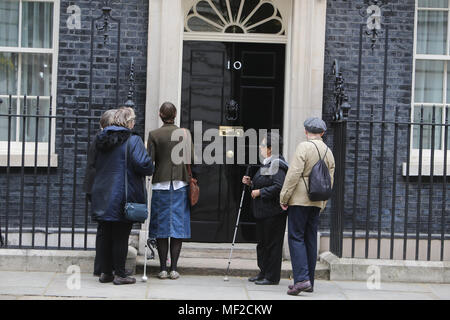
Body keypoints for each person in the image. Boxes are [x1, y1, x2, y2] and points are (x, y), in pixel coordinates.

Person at [91, 107, 154, 285]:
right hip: (121, 194)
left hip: (102, 192)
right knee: (120, 234)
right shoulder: (133, 140)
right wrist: (149, 161)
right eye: (132, 120)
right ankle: (120, 274)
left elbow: (94, 163)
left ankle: (106, 273)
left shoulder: (100, 139)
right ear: (127, 122)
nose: (134, 123)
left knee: (105, 232)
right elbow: (144, 165)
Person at [279, 117, 335, 295]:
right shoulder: (328, 151)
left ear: (306, 132)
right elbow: (330, 181)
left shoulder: (304, 147)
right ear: (322, 133)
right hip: (317, 201)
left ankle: (301, 279)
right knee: (310, 239)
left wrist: (284, 197)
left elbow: (293, 173)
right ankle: (309, 280)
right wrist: (323, 203)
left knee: (296, 237)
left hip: (300, 200)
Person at [147, 102, 194, 280]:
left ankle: (162, 269)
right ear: (175, 114)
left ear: (160, 114)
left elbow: (149, 161)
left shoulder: (154, 134)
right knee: (178, 227)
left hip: (161, 184)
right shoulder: (184, 134)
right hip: (181, 184)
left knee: (161, 227)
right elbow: (191, 159)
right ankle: (174, 268)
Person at [242, 132, 288, 285]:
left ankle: (272, 276)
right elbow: (265, 182)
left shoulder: (278, 164)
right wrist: (251, 184)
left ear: (270, 148)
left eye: (262, 145)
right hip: (263, 212)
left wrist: (260, 192)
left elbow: (279, 186)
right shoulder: (268, 163)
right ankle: (263, 272)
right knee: (262, 244)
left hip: (273, 213)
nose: (260, 148)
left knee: (272, 244)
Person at [83, 108, 117, 277]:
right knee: (107, 229)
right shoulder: (105, 140)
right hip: (101, 187)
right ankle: (105, 267)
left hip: (93, 186)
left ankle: (101, 267)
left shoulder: (98, 138)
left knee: (103, 229)